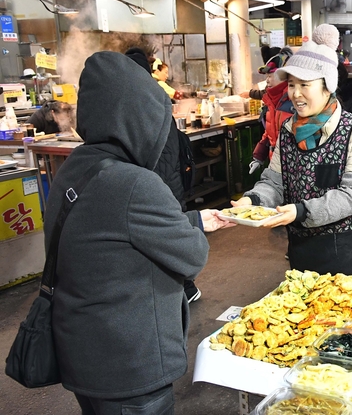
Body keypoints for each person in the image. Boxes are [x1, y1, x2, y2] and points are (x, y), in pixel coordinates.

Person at [45, 51, 229, 414]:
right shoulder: (134, 183)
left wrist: (194, 220)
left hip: (83, 348)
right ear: (139, 120)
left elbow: (118, 235)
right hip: (129, 360)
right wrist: (192, 230)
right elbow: (192, 256)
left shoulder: (75, 167)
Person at [223, 24, 352, 284]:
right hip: (305, 250)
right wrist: (253, 201)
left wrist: (300, 211)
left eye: (304, 85)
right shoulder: (289, 130)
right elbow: (274, 181)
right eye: (291, 84)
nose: (295, 94)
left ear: (327, 87)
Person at [128, 47, 204, 303]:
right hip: (169, 173)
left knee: (167, 231)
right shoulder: (153, 94)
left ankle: (185, 288)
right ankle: (184, 287)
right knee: (172, 227)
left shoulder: (137, 99)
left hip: (159, 174)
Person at [249, 51, 295, 174]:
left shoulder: (294, 100)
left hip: (294, 165)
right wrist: (258, 157)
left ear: (283, 76)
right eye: (266, 77)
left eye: (270, 76)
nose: (267, 81)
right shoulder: (271, 100)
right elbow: (270, 132)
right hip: (275, 163)